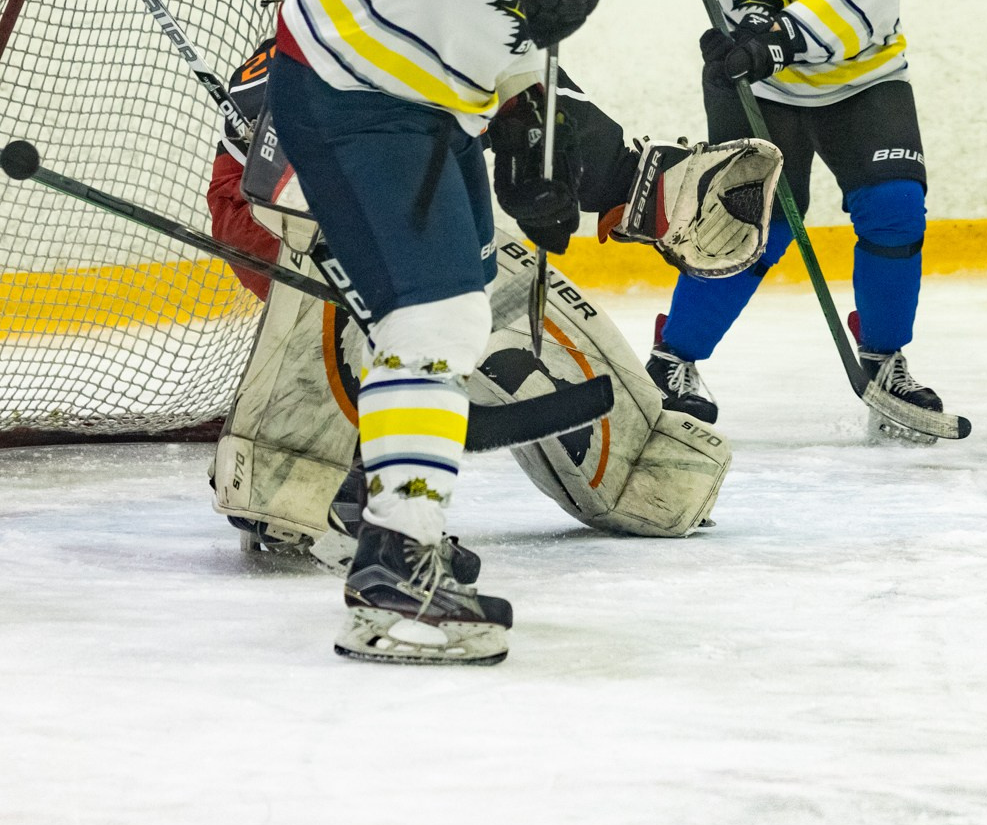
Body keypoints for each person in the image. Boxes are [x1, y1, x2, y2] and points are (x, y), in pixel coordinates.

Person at [265, 0, 656, 665]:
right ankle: (395, 578)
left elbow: (507, 11)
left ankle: (378, 495)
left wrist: (528, 110)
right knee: (431, 320)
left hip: (427, 108)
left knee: (451, 307)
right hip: (355, 92)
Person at [205, 37, 777, 564]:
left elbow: (549, 114)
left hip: (419, 201)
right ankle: (307, 474)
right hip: (276, 206)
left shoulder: (485, 12)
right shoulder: (353, 14)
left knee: (519, 312)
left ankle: (640, 472)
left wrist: (635, 185)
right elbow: (286, 168)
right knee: (378, 300)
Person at [620, 0, 943, 441]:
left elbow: (863, 7)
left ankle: (885, 356)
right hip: (749, 79)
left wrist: (774, 39)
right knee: (745, 227)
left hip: (858, 78)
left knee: (895, 209)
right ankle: (674, 358)